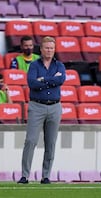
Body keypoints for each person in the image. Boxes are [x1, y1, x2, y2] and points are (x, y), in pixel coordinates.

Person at [17, 36, 65, 184]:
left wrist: (43, 80)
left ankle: (46, 176)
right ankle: (25, 175)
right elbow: (32, 83)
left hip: (55, 106)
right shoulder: (34, 65)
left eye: (51, 48)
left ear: (54, 49)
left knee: (50, 143)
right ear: (41, 49)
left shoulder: (60, 65)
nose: (49, 50)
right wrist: (51, 80)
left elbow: (61, 80)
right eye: (47, 48)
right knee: (30, 141)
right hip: (37, 105)